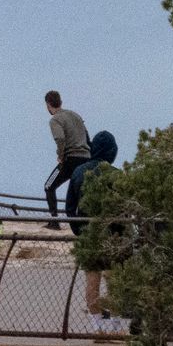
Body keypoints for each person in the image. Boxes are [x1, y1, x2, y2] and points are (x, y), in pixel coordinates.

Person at [66, 129, 121, 318]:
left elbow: (70, 208)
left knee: (92, 284)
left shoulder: (78, 172)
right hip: (113, 239)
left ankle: (98, 327)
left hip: (88, 237)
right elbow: (123, 209)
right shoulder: (116, 175)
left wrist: (80, 232)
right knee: (114, 286)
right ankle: (114, 327)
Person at [42, 89, 92, 225]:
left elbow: (60, 139)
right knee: (82, 190)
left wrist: (61, 156)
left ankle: (54, 221)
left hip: (70, 159)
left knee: (48, 186)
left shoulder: (55, 120)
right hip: (86, 159)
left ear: (48, 104)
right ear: (61, 102)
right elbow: (87, 137)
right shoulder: (76, 115)